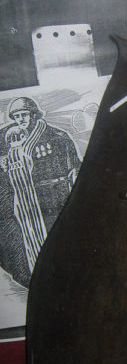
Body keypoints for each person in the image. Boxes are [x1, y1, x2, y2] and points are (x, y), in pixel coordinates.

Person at [0, 97, 81, 286]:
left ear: (34, 115)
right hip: (21, 205)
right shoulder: (6, 137)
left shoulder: (56, 136)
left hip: (53, 200)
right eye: (17, 116)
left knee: (57, 240)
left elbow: (75, 167)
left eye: (24, 115)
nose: (21, 120)